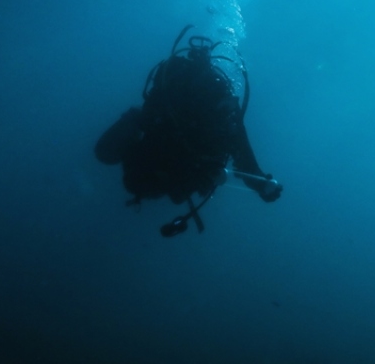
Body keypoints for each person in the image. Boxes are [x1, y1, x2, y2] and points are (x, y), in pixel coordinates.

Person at [96, 26, 282, 237]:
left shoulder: (225, 117)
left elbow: (244, 158)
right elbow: (244, 157)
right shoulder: (199, 105)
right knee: (144, 182)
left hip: (169, 164)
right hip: (158, 156)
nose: (227, 107)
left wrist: (261, 184)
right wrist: (260, 184)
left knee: (167, 188)